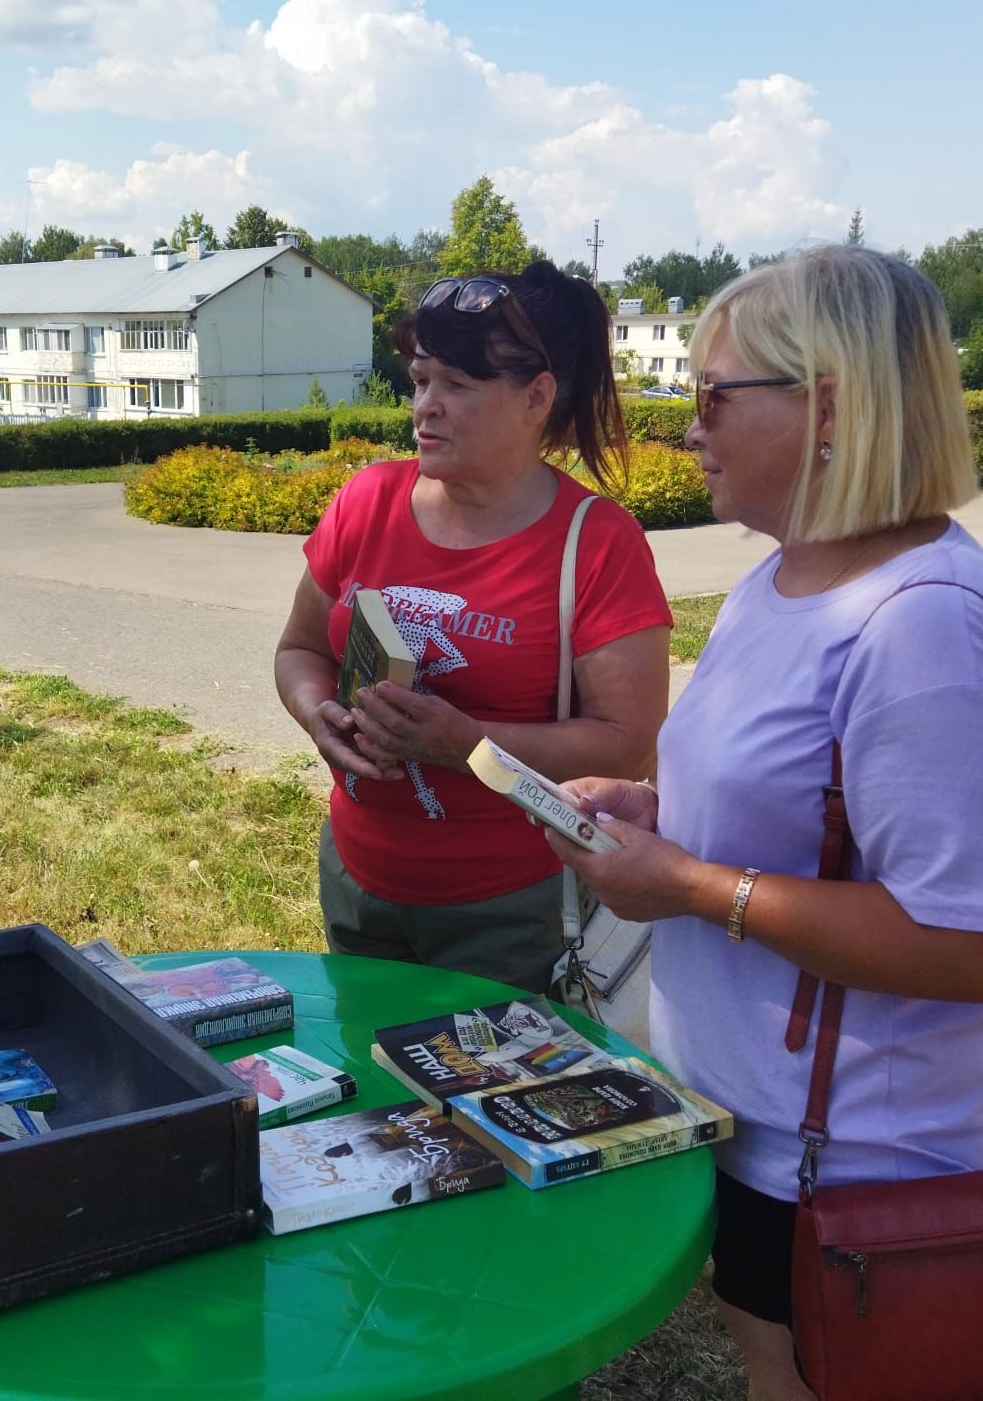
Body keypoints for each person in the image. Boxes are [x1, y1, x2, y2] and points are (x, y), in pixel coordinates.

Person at [543, 245, 983, 1399]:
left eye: (712, 397)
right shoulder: (777, 578)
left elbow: (964, 940)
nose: (687, 428)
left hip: (858, 1169)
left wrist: (688, 885)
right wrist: (656, 813)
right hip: (748, 1119)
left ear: (827, 406)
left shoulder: (920, 628)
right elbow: (789, 811)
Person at [274, 261, 672, 991]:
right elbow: (300, 648)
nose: (425, 407)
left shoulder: (597, 542)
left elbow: (627, 746)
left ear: (536, 397)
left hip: (512, 912)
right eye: (420, 379)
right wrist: (315, 713)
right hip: (358, 881)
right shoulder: (368, 500)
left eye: (456, 385)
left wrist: (469, 748)